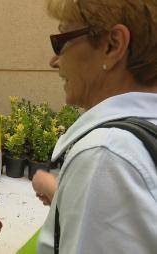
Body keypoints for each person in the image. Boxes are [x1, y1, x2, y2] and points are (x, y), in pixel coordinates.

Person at [33, 0, 157, 253]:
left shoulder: (106, 154)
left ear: (113, 45)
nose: (54, 60)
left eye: (62, 41)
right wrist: (67, 196)